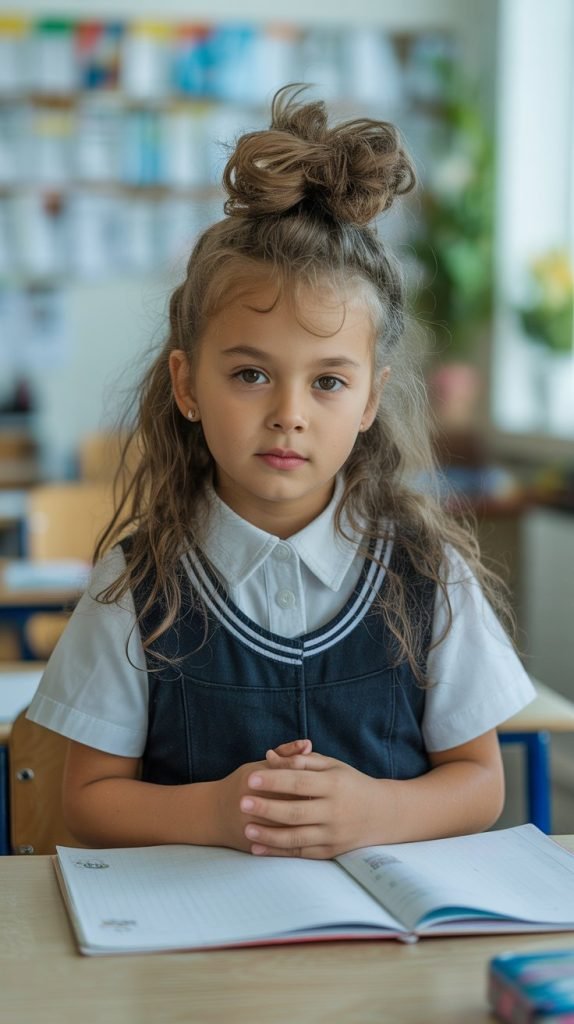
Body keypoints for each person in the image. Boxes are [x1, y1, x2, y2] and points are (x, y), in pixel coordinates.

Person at [28, 86, 535, 859]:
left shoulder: (430, 577)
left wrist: (374, 814)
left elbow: (479, 781)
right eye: (251, 375)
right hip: (199, 952)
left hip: (380, 958)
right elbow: (90, 801)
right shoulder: (135, 589)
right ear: (187, 385)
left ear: (370, 399)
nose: (289, 413)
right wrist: (216, 815)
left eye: (328, 381)